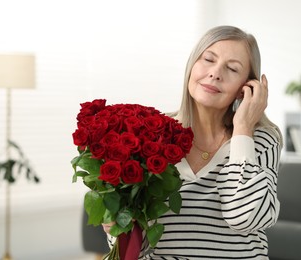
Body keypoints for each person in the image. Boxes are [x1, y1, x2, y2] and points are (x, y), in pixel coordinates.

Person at [103, 25, 283, 259]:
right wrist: (118, 225)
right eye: (208, 59)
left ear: (245, 89)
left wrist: (243, 129)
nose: (215, 73)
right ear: (192, 66)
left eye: (231, 68)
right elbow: (135, 245)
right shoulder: (151, 135)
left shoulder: (261, 140)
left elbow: (244, 217)